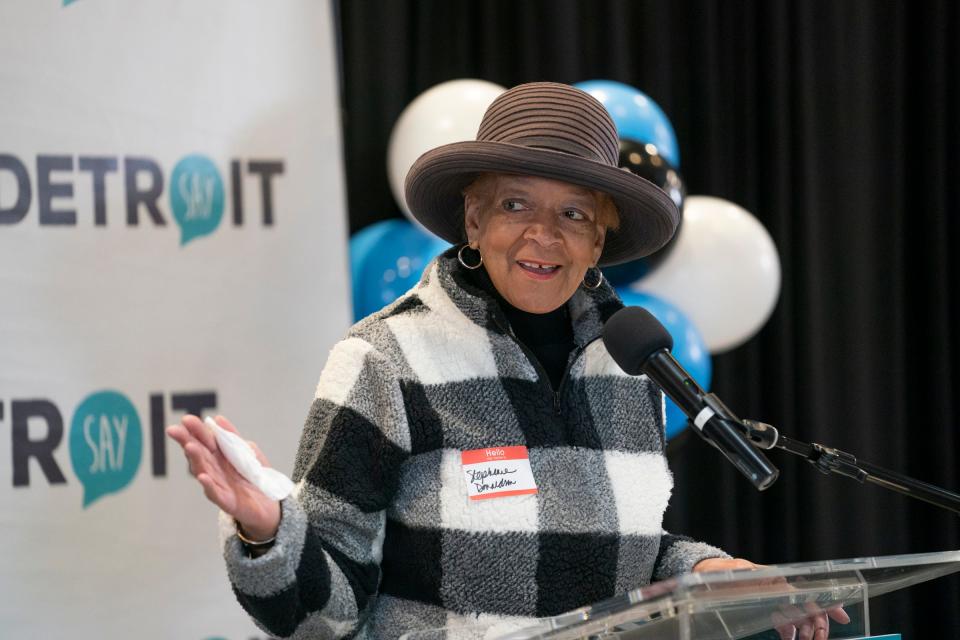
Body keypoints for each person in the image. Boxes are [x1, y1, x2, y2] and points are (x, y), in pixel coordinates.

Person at [167, 82, 846, 640]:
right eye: (514, 203)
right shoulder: (384, 357)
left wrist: (714, 571)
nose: (542, 235)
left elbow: (619, 553)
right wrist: (270, 537)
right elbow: (327, 613)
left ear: (600, 240)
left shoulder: (629, 364)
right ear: (473, 220)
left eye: (574, 213)